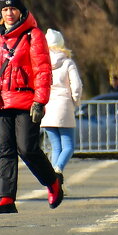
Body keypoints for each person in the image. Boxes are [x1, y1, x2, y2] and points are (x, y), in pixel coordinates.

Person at [0, 0, 64, 214]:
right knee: (4, 150)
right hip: (0, 101)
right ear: (0, 13)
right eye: (5, 10)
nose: (9, 13)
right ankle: (6, 198)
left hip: (26, 101)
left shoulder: (33, 35)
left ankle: (53, 182)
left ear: (20, 10)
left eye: (13, 9)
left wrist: (40, 100)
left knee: (27, 149)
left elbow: (43, 70)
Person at [40, 28, 83, 174]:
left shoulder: (41, 64)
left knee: (55, 147)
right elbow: (76, 86)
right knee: (69, 146)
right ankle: (57, 171)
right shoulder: (67, 63)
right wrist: (76, 101)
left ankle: (54, 183)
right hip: (64, 105)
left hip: (47, 107)